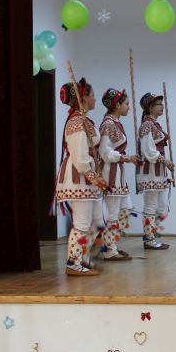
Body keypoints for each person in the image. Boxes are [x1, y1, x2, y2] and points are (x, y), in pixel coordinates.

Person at [55, 78, 106, 276]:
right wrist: (92, 176)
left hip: (88, 177)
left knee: (97, 221)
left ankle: (83, 258)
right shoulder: (77, 122)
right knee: (82, 222)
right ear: (83, 97)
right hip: (80, 176)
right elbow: (79, 156)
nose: (95, 99)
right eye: (92, 95)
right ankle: (74, 263)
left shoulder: (83, 120)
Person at [98, 88, 139, 261]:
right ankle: (110, 250)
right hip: (110, 173)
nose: (129, 107)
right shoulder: (108, 124)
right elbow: (104, 152)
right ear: (117, 105)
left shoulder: (115, 123)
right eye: (126, 104)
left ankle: (110, 244)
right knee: (113, 214)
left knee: (126, 209)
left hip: (118, 174)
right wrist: (125, 157)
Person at [137, 92, 174, 250]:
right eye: (159, 104)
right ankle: (149, 240)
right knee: (151, 205)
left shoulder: (155, 124)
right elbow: (148, 151)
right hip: (150, 170)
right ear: (150, 107)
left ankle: (153, 235)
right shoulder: (147, 125)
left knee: (162, 207)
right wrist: (165, 160)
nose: (162, 107)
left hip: (159, 171)